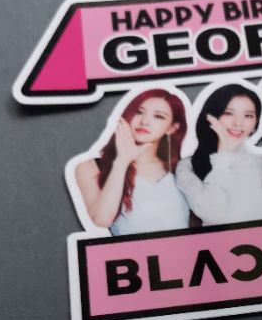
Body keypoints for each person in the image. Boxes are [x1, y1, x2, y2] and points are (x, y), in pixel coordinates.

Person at [74, 88, 189, 235]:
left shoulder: (184, 169)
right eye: (139, 112)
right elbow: (101, 220)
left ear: (172, 128)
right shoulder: (90, 166)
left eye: (158, 116)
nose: (145, 121)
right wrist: (122, 161)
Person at [175, 84, 262, 226]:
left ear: (255, 124)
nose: (238, 123)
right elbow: (214, 214)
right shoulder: (187, 168)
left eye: (248, 115)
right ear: (211, 117)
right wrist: (223, 155)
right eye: (228, 113)